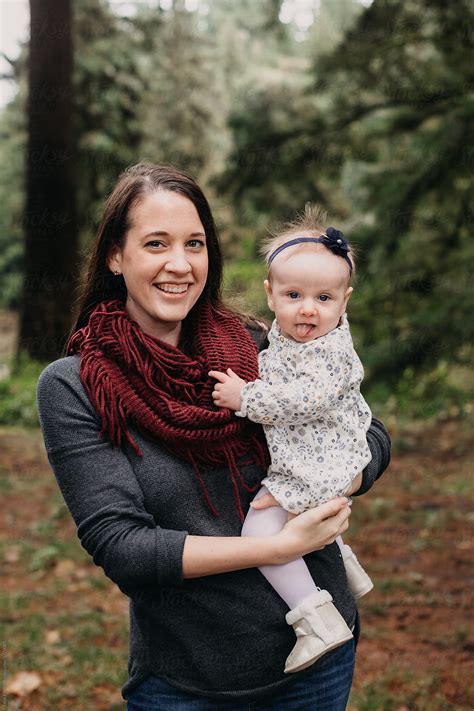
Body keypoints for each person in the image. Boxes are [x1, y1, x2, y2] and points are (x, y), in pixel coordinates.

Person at [36, 163, 391, 710]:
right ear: (115, 255)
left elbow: (368, 430)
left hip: (317, 669)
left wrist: (341, 475)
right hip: (187, 679)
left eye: (194, 243)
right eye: (156, 243)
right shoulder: (79, 385)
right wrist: (273, 547)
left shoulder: (255, 344)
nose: (179, 264)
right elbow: (124, 548)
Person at [210, 208, 375, 676]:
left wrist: (245, 397)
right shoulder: (286, 337)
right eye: (294, 295)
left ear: (345, 300)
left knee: (260, 532)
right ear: (271, 294)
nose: (308, 308)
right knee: (305, 515)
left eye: (324, 297)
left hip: (322, 461)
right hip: (317, 455)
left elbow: (301, 399)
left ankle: (315, 618)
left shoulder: (331, 351)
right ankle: (345, 564)